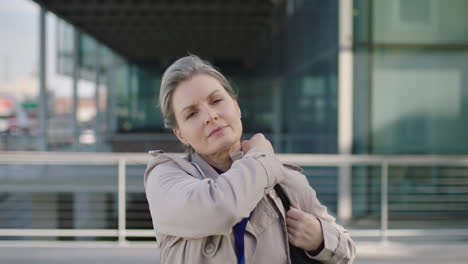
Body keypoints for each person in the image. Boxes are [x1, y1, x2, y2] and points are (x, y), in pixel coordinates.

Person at [144, 55, 356, 264]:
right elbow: (222, 208)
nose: (210, 116)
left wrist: (319, 237)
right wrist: (260, 155)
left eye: (216, 100)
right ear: (180, 134)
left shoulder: (287, 182)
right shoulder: (165, 178)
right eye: (191, 114)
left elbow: (347, 249)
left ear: (236, 106)